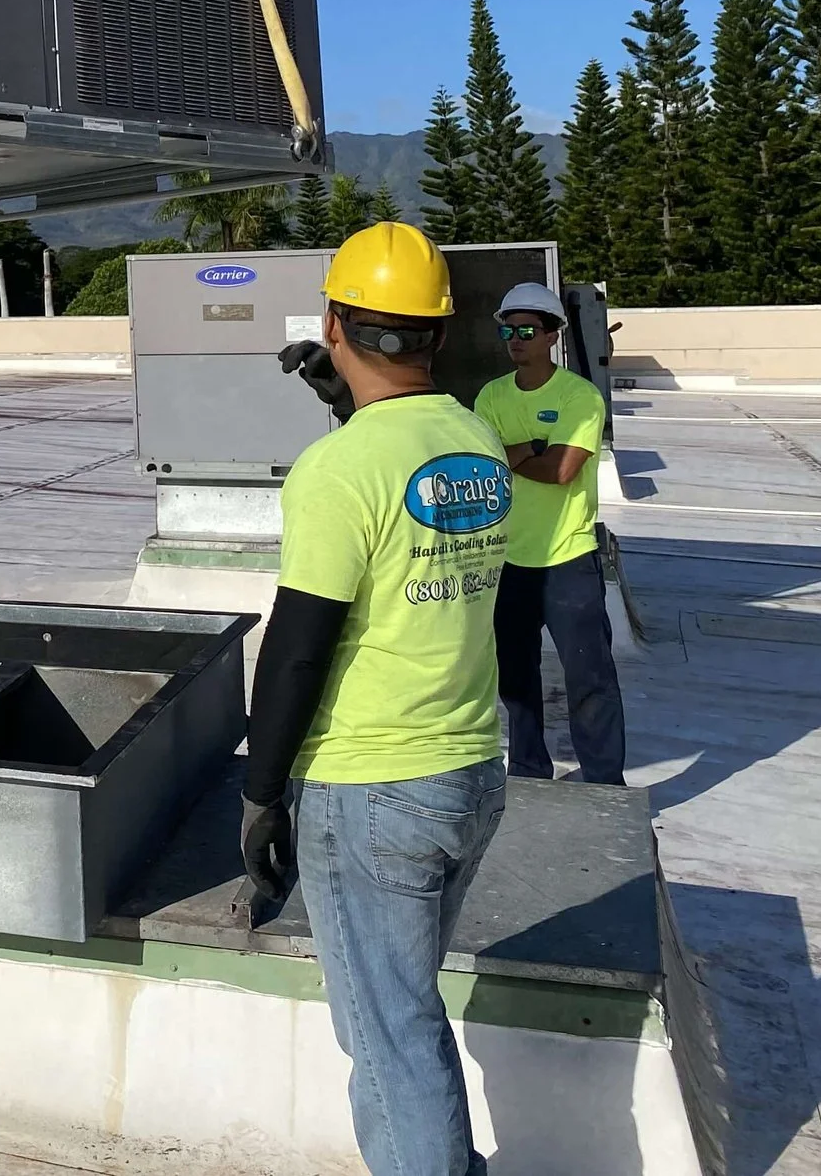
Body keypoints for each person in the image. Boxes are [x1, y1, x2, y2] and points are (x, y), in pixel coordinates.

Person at [241, 225, 514, 1176]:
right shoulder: (476, 438)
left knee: (392, 1038)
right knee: (402, 1009)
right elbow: (412, 489)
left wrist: (259, 791)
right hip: (469, 771)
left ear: (334, 324)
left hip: (371, 789)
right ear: (436, 332)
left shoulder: (339, 469)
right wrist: (350, 400)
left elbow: (296, 649)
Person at [473, 281, 624, 785]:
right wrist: (532, 447)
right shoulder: (491, 396)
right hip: (509, 561)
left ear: (553, 335)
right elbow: (485, 465)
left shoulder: (580, 397)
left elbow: (562, 470)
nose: (515, 340)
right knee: (516, 682)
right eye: (508, 331)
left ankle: (604, 781)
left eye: (527, 331)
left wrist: (516, 452)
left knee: (590, 680)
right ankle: (528, 773)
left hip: (568, 560)